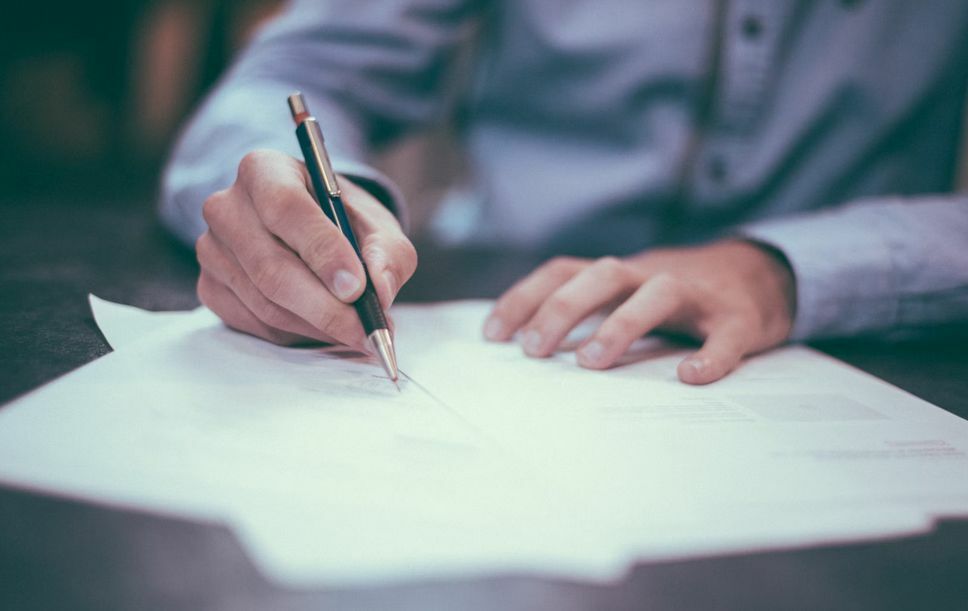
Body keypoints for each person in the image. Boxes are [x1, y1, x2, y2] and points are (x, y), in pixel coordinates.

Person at [161, 1, 968, 385]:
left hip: (864, 349)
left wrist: (783, 269)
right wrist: (301, 205)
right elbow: (290, 76)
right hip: (496, 317)